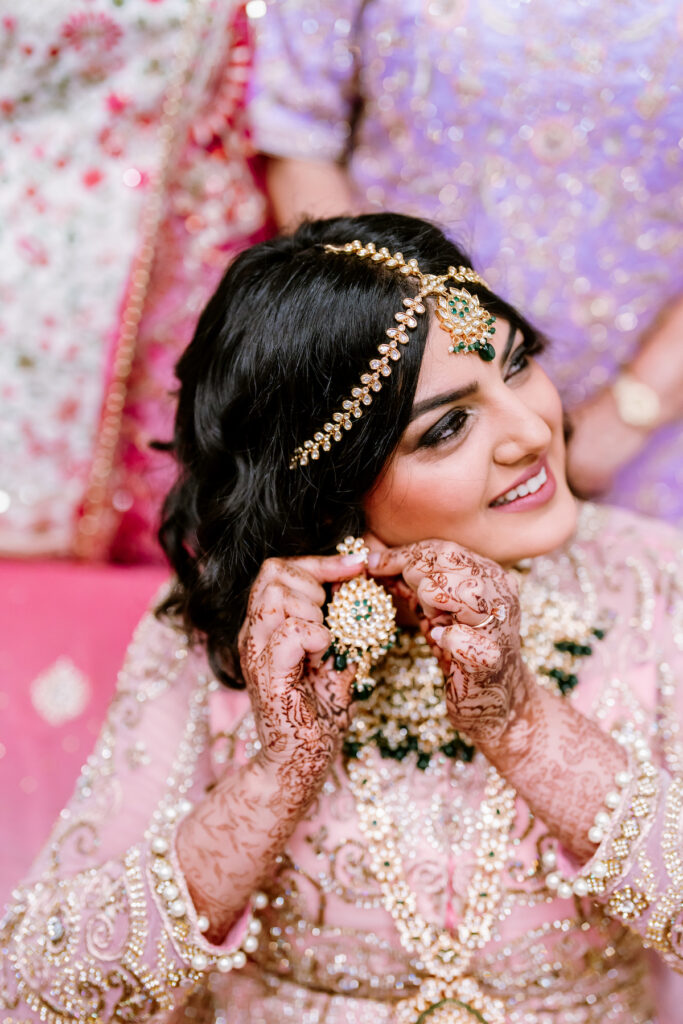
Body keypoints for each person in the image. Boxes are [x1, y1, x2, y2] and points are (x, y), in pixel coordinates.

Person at [2, 213, 682, 1023]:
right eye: (449, 426)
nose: (535, 430)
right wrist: (279, 773)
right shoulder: (231, 630)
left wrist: (524, 724)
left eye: (519, 363)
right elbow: (39, 995)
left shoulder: (649, 582)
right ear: (328, 486)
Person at [247, 0, 683, 524]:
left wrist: (634, 411)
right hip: (409, 415)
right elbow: (298, 137)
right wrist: (394, 373)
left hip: (659, 428)